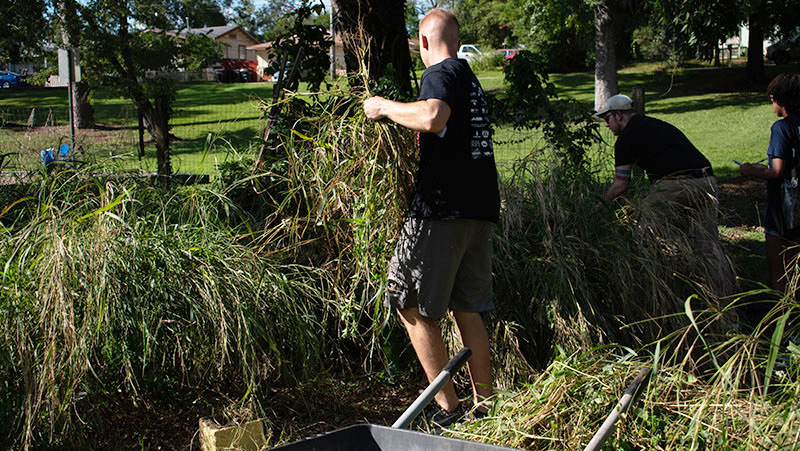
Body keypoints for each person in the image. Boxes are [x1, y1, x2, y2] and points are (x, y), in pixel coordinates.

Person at [363, 8, 499, 427]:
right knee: (466, 307)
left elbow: (431, 116)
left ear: (423, 43)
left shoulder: (439, 74)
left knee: (407, 302)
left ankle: (448, 411)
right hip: (480, 211)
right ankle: (488, 407)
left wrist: (382, 107)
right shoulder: (469, 78)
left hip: (442, 210)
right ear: (456, 40)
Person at [597, 94, 735, 295]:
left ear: (618, 115)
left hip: (674, 184)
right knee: (708, 247)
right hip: (707, 181)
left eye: (606, 118)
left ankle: (654, 293)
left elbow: (620, 185)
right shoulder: (655, 124)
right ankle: (727, 310)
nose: (606, 125)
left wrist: (601, 206)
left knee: (642, 233)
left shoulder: (626, 139)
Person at [739, 73, 800, 293]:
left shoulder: (781, 128)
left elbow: (776, 171)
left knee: (781, 271)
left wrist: (750, 169)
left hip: (785, 209)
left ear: (780, 101)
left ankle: (782, 320)